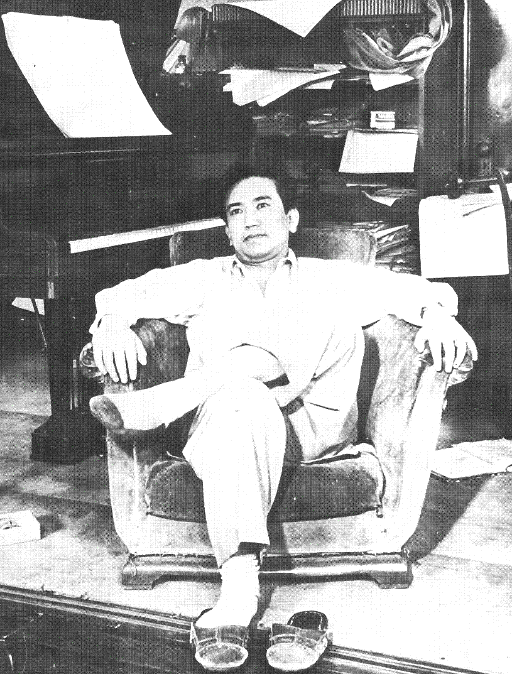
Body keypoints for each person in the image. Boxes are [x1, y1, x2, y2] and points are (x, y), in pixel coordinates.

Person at [89, 164, 476, 658]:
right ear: (227, 230)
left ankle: (162, 403)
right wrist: (112, 323)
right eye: (236, 212)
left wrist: (439, 316)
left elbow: (415, 292)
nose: (250, 219)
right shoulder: (203, 278)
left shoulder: (327, 276)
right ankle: (239, 592)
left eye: (262, 205)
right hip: (229, 427)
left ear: (290, 219)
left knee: (328, 319)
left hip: (309, 429)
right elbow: (122, 295)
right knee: (243, 395)